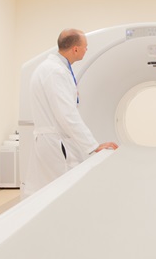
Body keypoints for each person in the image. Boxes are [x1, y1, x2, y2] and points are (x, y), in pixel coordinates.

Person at [24, 28, 118, 196]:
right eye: (85, 46)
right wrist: (93, 146)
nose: (86, 50)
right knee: (66, 191)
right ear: (75, 49)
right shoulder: (56, 72)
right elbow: (67, 115)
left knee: (47, 193)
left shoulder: (48, 68)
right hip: (57, 145)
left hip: (49, 142)